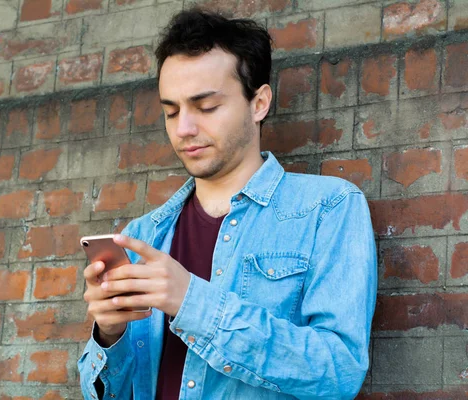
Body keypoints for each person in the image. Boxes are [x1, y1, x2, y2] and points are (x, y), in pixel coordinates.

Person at [78, 8, 377, 400]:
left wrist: (192, 301)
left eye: (206, 107)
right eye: (172, 110)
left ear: (259, 103)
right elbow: (108, 392)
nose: (183, 128)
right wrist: (109, 335)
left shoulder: (329, 208)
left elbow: (338, 372)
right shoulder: (141, 236)